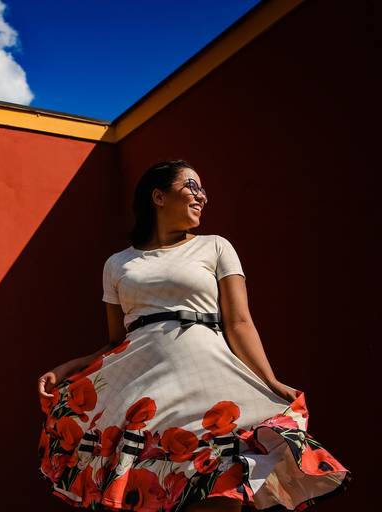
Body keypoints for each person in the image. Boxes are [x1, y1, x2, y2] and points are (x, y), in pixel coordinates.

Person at [37, 161, 349, 511]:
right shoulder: (118, 263)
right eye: (191, 186)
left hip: (210, 386)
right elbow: (116, 342)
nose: (202, 196)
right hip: (146, 394)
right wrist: (70, 367)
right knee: (157, 492)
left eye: (203, 189)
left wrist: (269, 380)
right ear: (159, 196)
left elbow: (240, 322)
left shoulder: (215, 247)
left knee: (222, 487)